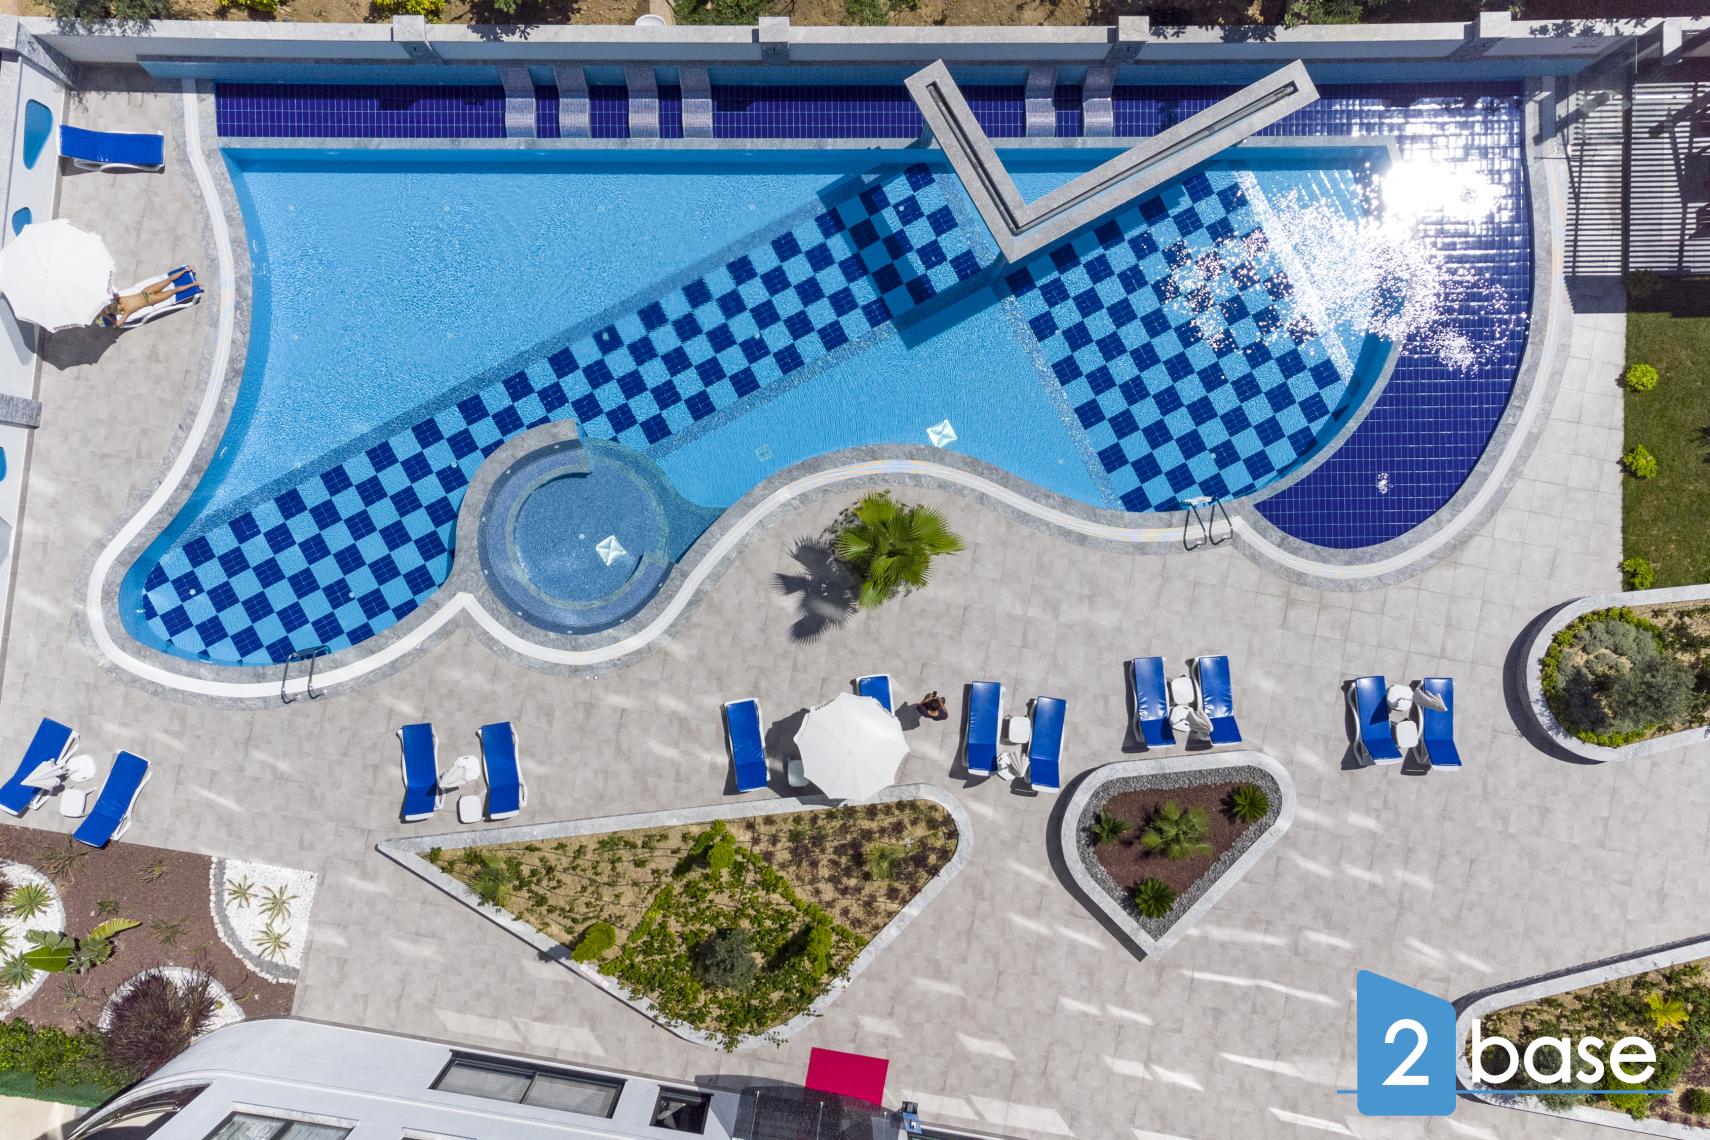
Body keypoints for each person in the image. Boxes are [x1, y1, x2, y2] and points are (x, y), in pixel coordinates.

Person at [98, 267, 198, 327]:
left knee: (168, 280)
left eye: (111, 306)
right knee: (173, 290)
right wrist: (106, 315)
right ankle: (193, 284)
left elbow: (111, 293)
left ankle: (186, 270)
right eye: (112, 308)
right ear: (116, 311)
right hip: (150, 299)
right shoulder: (127, 311)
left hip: (146, 292)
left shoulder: (120, 300)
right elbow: (118, 324)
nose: (113, 306)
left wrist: (104, 310)